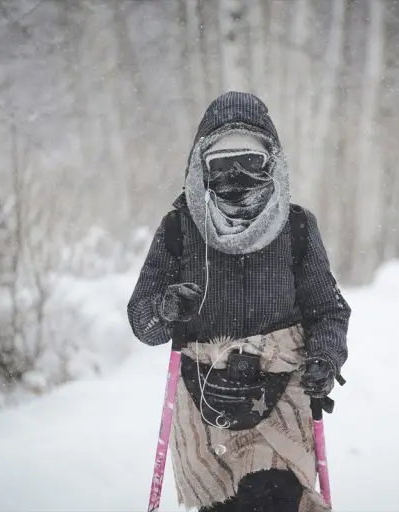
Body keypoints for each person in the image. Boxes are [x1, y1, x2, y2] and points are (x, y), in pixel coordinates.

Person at [127, 91, 351, 512]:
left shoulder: (297, 227)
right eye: (221, 165)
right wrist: (164, 307)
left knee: (273, 499)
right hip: (202, 399)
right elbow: (143, 320)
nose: (236, 176)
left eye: (249, 162)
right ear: (202, 170)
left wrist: (326, 357)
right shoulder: (179, 228)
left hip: (282, 393)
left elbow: (329, 311)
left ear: (271, 162)